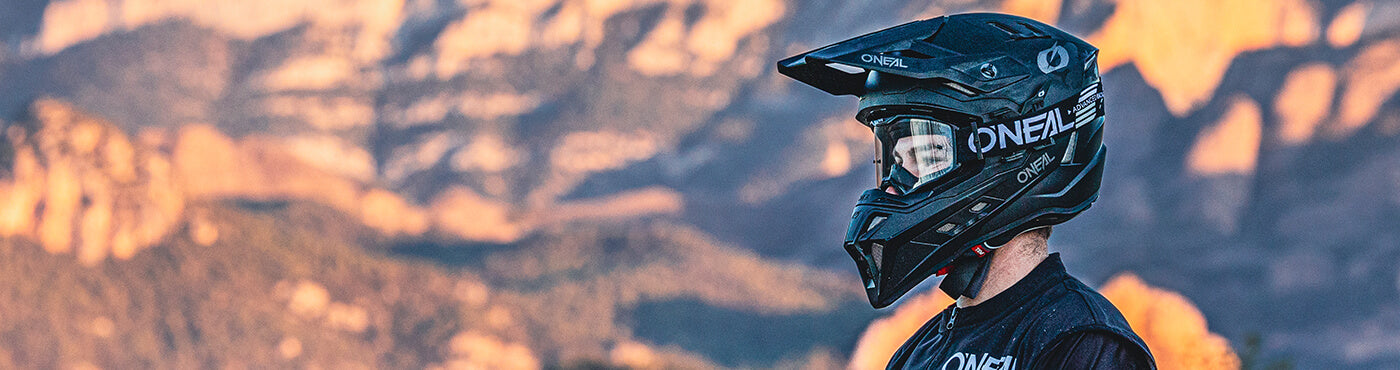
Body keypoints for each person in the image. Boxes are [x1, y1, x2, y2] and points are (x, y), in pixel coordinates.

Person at [776, 13, 1155, 369]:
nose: (895, 186)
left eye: (927, 154)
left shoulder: (1082, 344)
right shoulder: (920, 352)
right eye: (894, 159)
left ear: (1010, 151)